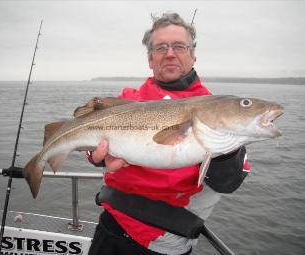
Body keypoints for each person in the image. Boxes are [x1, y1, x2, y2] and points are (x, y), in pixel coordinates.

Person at [87, 12, 250, 255]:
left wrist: (225, 150)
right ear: (150, 59)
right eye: (161, 47)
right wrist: (96, 157)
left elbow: (228, 183)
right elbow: (99, 151)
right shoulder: (127, 102)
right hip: (110, 226)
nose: (170, 53)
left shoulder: (218, 109)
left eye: (179, 46)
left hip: (164, 242)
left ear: (193, 55)